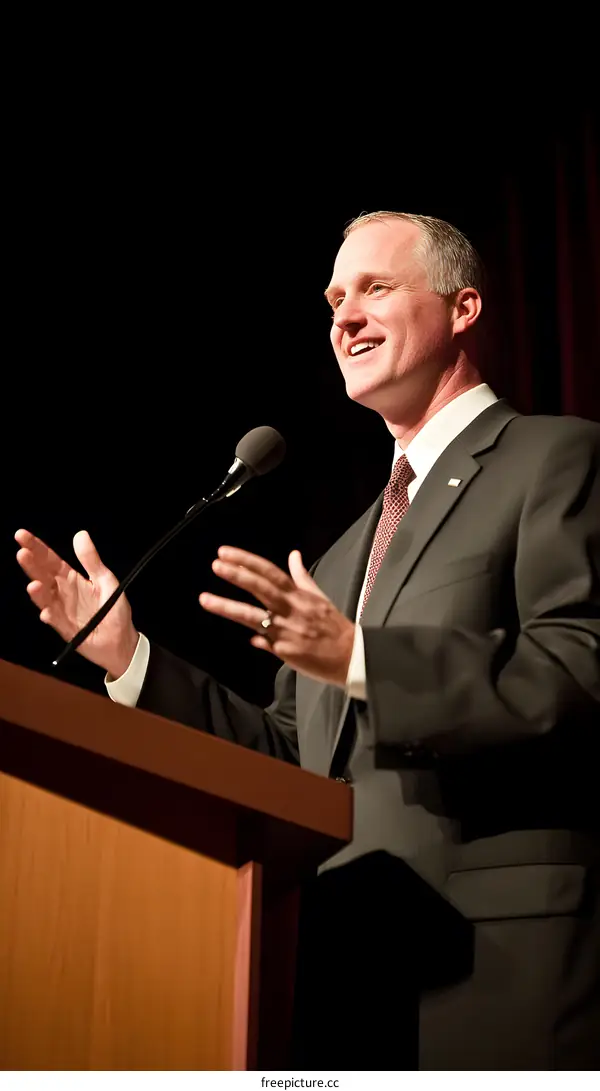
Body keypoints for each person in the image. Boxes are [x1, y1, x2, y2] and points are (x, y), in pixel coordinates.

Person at [15, 212, 600, 1070]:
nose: (345, 318)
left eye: (375, 288)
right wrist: (130, 661)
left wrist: (363, 660)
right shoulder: (338, 555)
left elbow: (575, 671)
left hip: (498, 962)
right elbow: (292, 760)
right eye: (333, 299)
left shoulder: (556, 457)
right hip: (343, 975)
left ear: (464, 307)